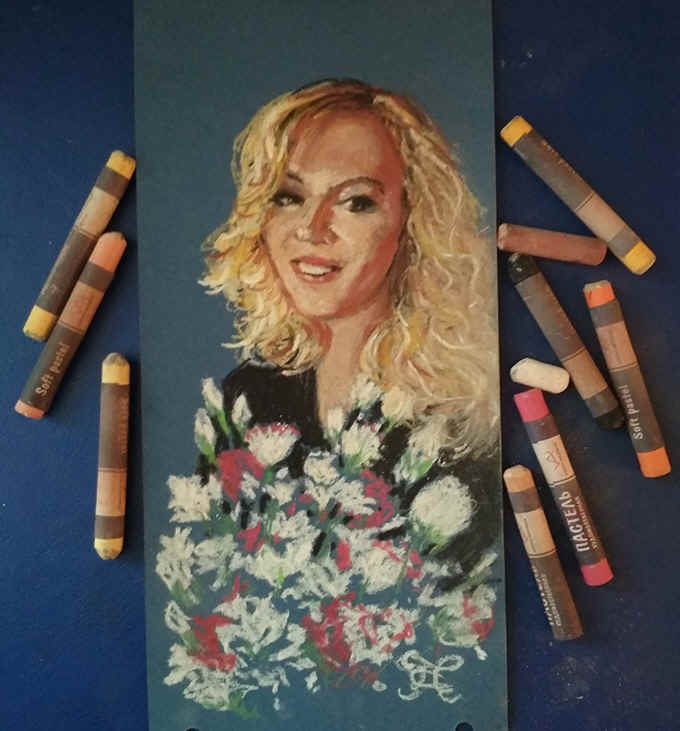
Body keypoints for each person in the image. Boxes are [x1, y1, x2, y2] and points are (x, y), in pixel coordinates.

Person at [156, 79, 500, 714]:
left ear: (413, 222)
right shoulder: (250, 398)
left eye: (356, 203)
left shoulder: (461, 426)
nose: (312, 230)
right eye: (288, 197)